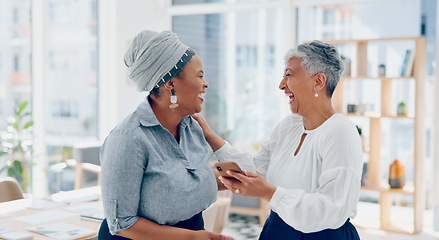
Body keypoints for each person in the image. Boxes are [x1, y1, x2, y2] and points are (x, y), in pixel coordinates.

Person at [192, 40, 362, 240]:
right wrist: (210, 137)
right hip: (277, 229)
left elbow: (331, 209)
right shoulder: (289, 125)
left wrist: (270, 193)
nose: (281, 85)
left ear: (318, 81)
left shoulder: (340, 131)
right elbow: (257, 168)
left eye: (288, 75)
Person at [98, 30, 231, 240]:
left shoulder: (192, 126)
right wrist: (190, 237)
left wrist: (247, 174)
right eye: (200, 75)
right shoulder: (127, 139)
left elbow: (193, 179)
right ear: (170, 84)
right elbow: (122, 223)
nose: (206, 84)